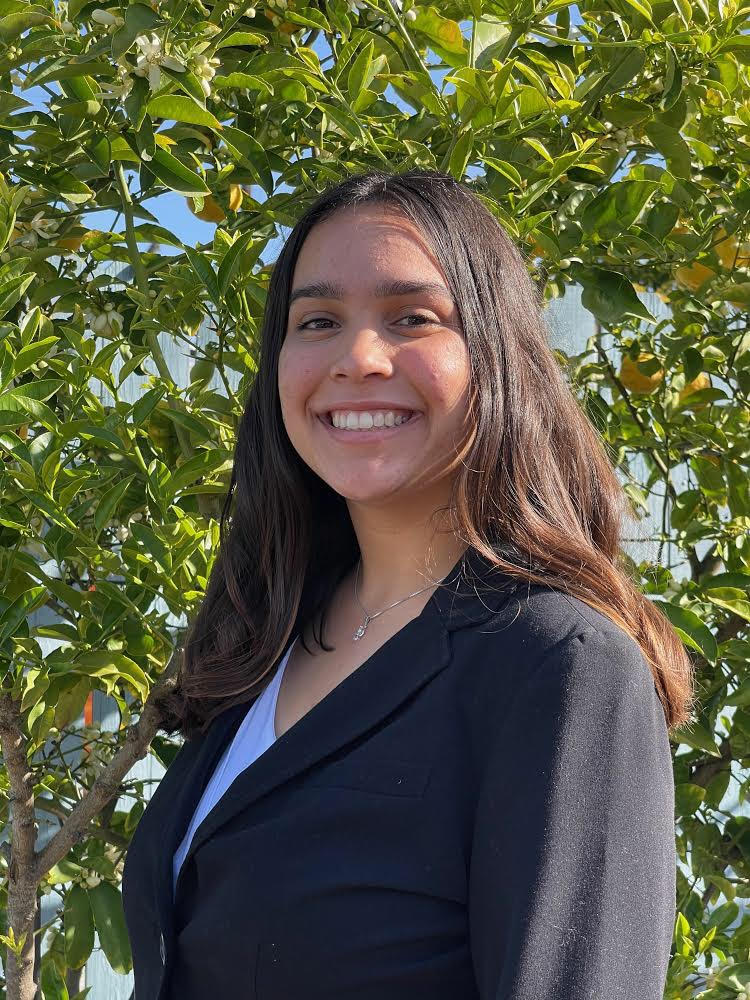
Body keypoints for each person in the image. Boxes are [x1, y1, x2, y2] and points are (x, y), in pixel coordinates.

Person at [121, 168, 694, 1000]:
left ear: (496, 356)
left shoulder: (557, 667)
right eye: (317, 320)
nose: (357, 358)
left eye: (411, 318)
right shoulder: (264, 640)